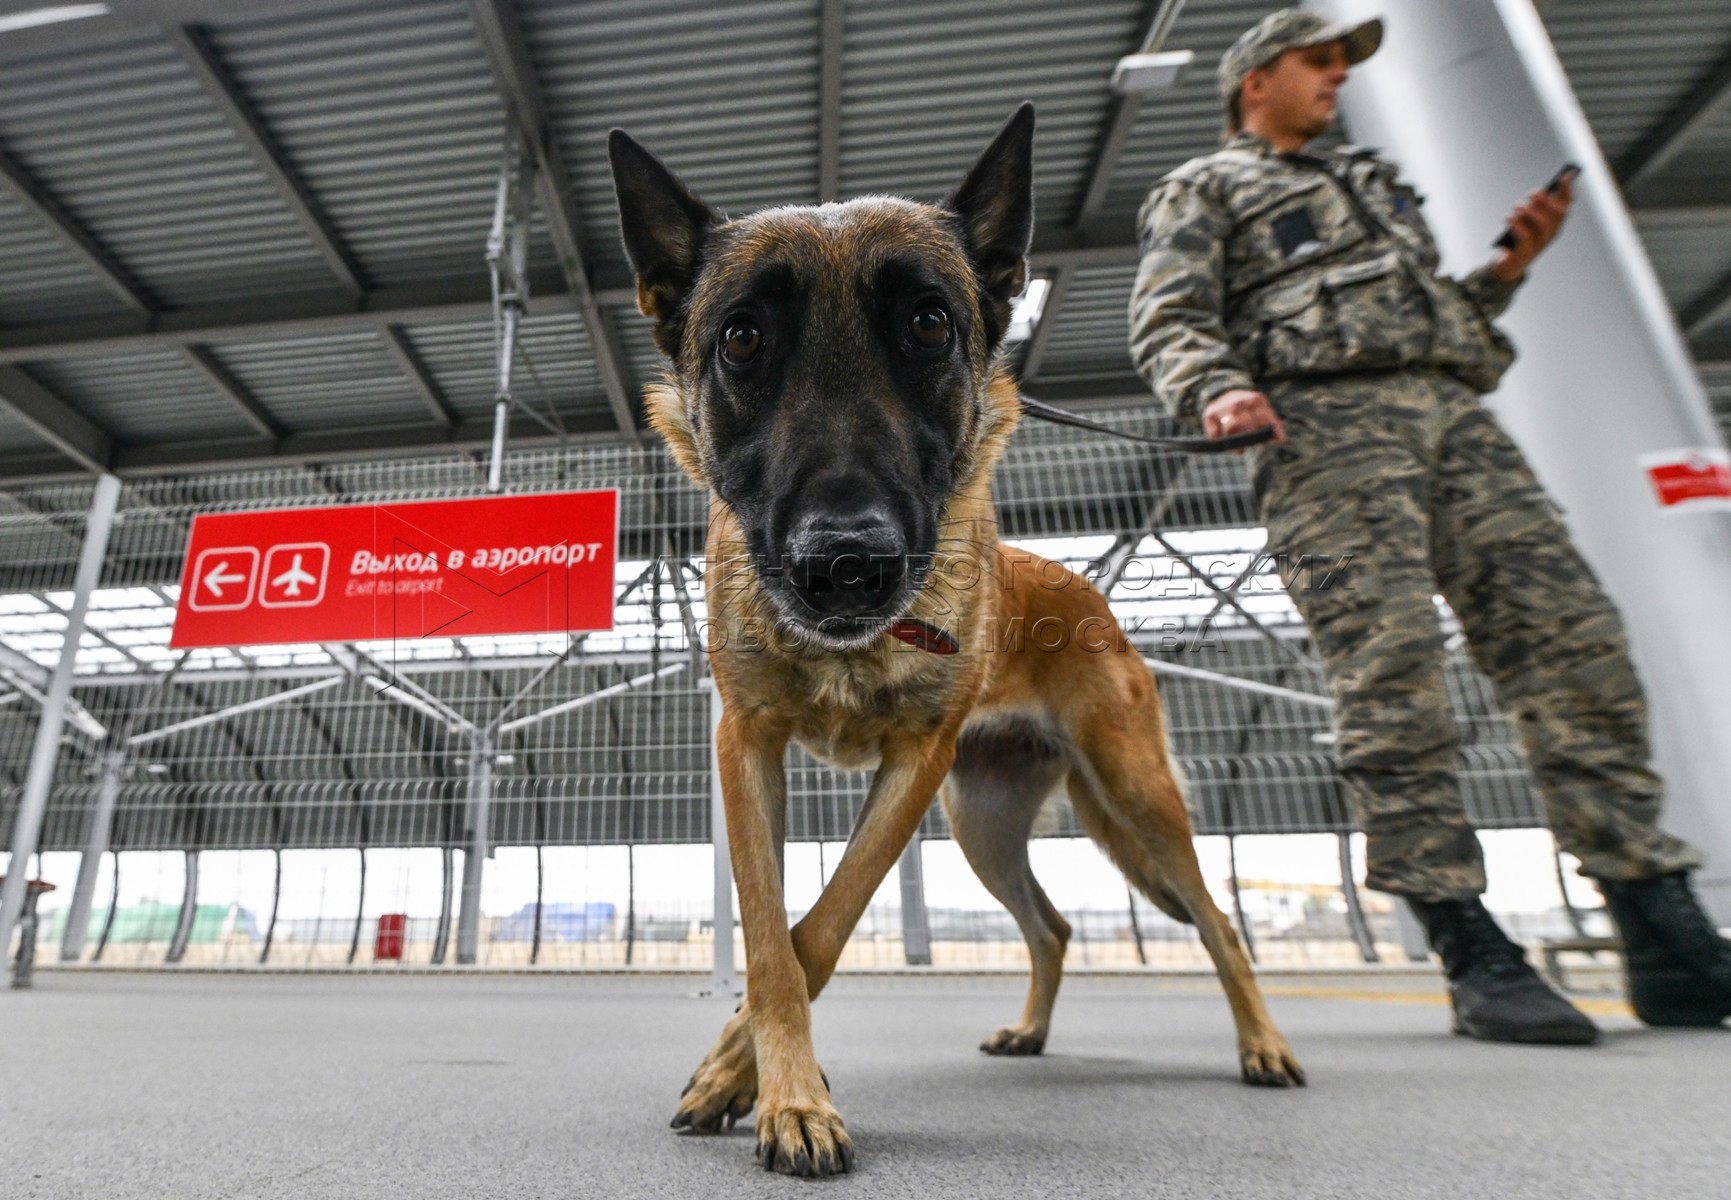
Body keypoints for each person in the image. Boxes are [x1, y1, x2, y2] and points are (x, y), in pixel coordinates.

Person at [1129, 8, 1731, 1043]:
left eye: (1342, 65)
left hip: (1456, 421)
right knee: (1389, 668)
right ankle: (1465, 936)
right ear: (1253, 80)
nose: (1336, 79)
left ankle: (1658, 919)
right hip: (1324, 438)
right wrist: (1215, 389)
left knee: (1574, 641)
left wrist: (1504, 271)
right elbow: (1168, 317)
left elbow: (1424, 317)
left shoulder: (1372, 183)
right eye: (1317, 62)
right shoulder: (1210, 187)